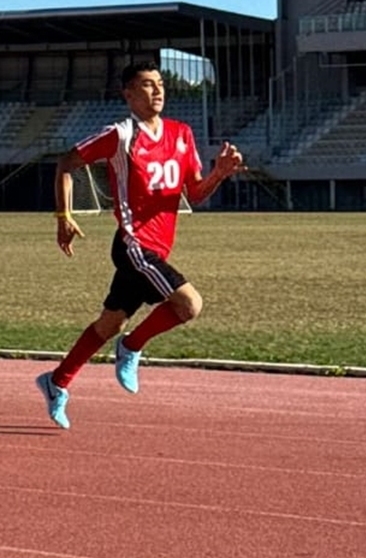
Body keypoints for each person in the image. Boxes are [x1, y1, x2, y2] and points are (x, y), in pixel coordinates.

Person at [35, 60, 246, 430]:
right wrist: (63, 215)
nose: (158, 91)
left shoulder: (182, 134)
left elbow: (193, 194)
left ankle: (57, 382)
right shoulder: (120, 135)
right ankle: (132, 347)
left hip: (158, 248)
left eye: (160, 83)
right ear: (128, 94)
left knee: (109, 323)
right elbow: (66, 162)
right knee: (190, 304)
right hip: (133, 244)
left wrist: (218, 174)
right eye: (147, 85)